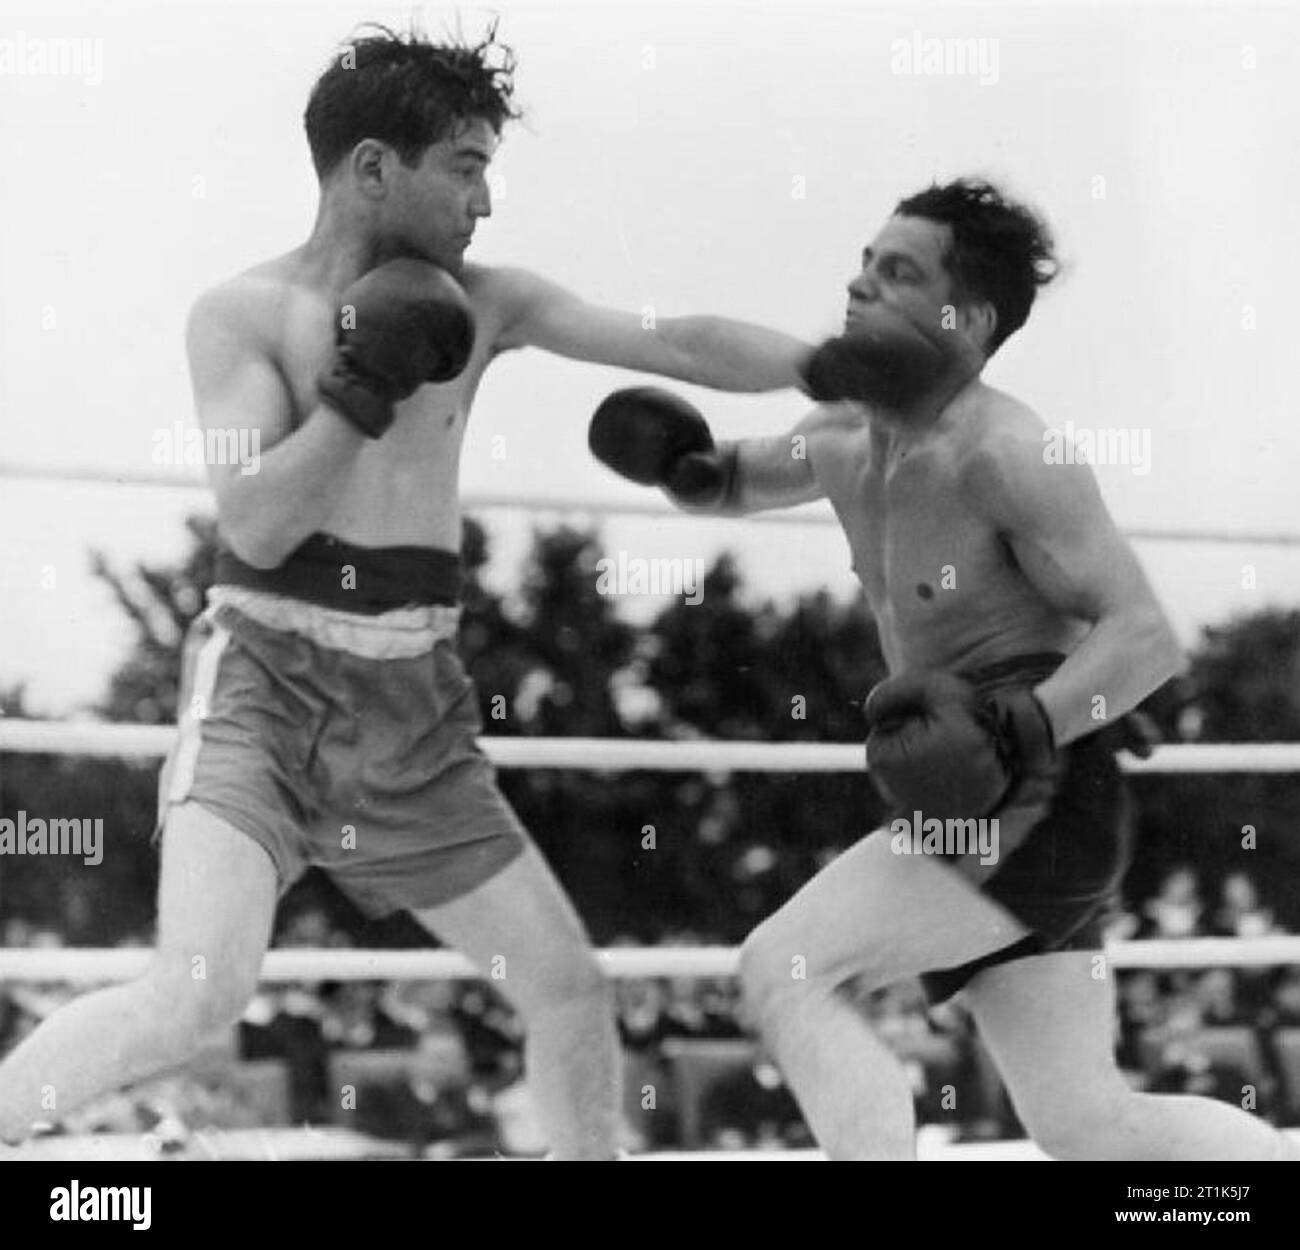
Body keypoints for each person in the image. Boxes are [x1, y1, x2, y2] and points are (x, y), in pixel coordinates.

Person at [0, 25, 812, 1159]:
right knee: (194, 991)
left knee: (569, 990)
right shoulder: (240, 315)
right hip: (264, 685)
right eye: (467, 165)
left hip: (413, 698)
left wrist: (827, 366)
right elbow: (256, 520)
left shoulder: (490, 302)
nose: (485, 203)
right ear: (375, 167)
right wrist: (361, 387)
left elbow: (667, 340)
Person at [588, 177, 1299, 1160]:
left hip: (1040, 781)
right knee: (1088, 1124)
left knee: (786, 967)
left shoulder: (1008, 452)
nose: (859, 283)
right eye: (864, 261)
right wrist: (680, 466)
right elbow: (732, 480)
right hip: (980, 780)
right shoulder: (840, 433)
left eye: (897, 271)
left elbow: (1142, 638)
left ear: (967, 318)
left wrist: (1022, 726)